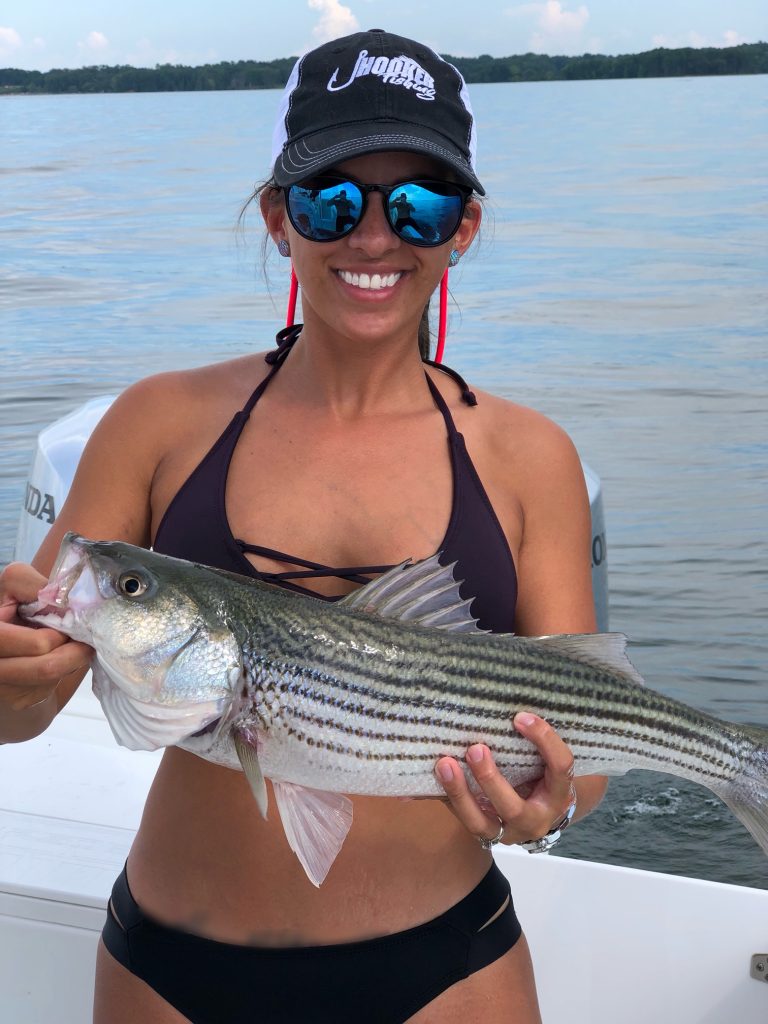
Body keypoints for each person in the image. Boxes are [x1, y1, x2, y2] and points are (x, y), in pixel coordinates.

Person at [0, 28, 606, 1024]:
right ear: (280, 221)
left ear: (465, 227)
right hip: (173, 973)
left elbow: (583, 751)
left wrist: (551, 804)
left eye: (418, 203)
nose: (374, 238)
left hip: (449, 970)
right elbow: (22, 710)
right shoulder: (157, 421)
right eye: (331, 200)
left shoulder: (528, 455)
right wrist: (10, 673)